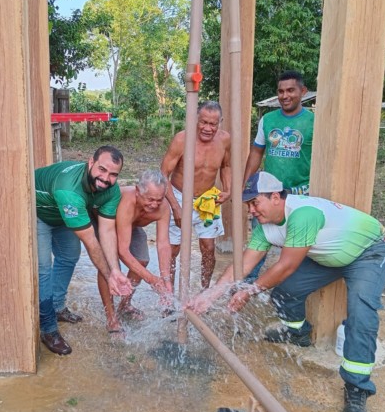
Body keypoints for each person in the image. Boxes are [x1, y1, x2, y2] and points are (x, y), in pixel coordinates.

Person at [185, 172, 385, 412]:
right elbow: (244, 263)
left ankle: (357, 388)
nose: (250, 211)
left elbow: (286, 265)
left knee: (361, 311)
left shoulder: (302, 214)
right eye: (247, 205)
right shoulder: (265, 225)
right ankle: (298, 333)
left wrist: (248, 291)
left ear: (275, 197)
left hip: (368, 251)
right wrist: (209, 296)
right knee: (284, 292)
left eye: (254, 203)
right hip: (330, 255)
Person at [35, 146, 132, 355]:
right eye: (102, 170)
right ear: (90, 163)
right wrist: (109, 276)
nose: (106, 178)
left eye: (113, 174)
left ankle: (58, 307)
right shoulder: (69, 189)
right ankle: (48, 329)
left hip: (65, 214)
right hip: (38, 212)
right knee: (43, 267)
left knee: (69, 256)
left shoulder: (112, 191)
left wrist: (115, 271)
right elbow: (91, 241)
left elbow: (106, 232)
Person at [242, 70, 314, 282]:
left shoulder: (314, 122)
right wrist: (246, 185)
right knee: (259, 240)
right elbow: (256, 152)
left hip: (302, 196)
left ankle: (291, 289)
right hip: (269, 195)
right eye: (281, 91)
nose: (285, 96)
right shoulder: (268, 120)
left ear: (303, 91)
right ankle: (247, 285)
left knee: (298, 246)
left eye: (291, 90)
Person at [161, 100, 231, 289]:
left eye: (213, 124)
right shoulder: (182, 140)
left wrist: (228, 190)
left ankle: (204, 291)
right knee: (173, 249)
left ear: (220, 122)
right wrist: (175, 206)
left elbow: (226, 166)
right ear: (196, 120)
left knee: (209, 248)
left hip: (207, 199)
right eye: (203, 122)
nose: (207, 128)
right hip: (177, 195)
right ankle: (169, 295)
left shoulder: (224, 140)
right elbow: (163, 174)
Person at [97, 169, 174, 338]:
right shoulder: (127, 202)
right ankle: (111, 317)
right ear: (138, 191)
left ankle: (124, 305)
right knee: (108, 267)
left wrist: (165, 278)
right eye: (150, 199)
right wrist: (152, 280)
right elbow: (122, 252)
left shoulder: (163, 208)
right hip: (108, 224)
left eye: (159, 199)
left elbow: (163, 244)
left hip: (132, 226)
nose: (154, 204)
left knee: (142, 261)